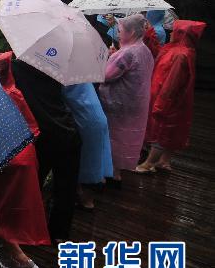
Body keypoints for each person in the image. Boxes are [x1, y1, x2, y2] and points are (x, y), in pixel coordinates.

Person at [0, 52, 49, 268]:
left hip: (3, 163)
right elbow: (32, 128)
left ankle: (21, 260)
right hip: (23, 158)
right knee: (13, 208)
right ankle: (8, 251)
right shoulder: (14, 92)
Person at [11, 59, 82, 242]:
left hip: (43, 135)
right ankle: (59, 233)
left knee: (32, 185)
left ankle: (26, 230)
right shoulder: (57, 66)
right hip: (67, 130)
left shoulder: (17, 67)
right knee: (66, 188)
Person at [137, 20, 207, 173]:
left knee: (161, 130)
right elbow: (158, 52)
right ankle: (164, 161)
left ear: (181, 34)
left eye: (174, 31)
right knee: (170, 130)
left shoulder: (181, 55)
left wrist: (161, 104)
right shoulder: (177, 49)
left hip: (166, 99)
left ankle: (149, 163)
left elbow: (172, 83)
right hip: (165, 98)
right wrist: (149, 34)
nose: (171, 33)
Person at [98, 14, 155, 181]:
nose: (118, 34)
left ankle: (109, 173)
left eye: (121, 30)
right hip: (135, 103)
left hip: (119, 104)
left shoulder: (128, 53)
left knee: (113, 137)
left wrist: (109, 58)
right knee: (123, 138)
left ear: (130, 33)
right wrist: (115, 55)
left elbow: (106, 75)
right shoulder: (143, 50)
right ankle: (116, 173)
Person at [62, 83, 113, 209]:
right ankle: (84, 197)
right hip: (95, 117)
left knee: (88, 164)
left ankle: (86, 202)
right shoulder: (82, 75)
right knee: (95, 161)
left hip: (86, 121)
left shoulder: (65, 77)